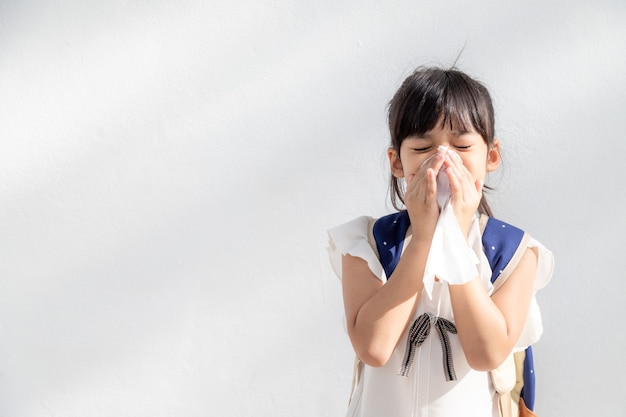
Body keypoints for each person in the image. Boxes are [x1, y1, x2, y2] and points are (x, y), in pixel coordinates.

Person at [327, 66, 554, 417]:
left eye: (462, 145)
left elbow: (487, 353)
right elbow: (373, 347)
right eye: (422, 147)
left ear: (490, 156)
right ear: (397, 163)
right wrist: (424, 239)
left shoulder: (515, 253)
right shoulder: (367, 244)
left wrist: (455, 247)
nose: (443, 160)